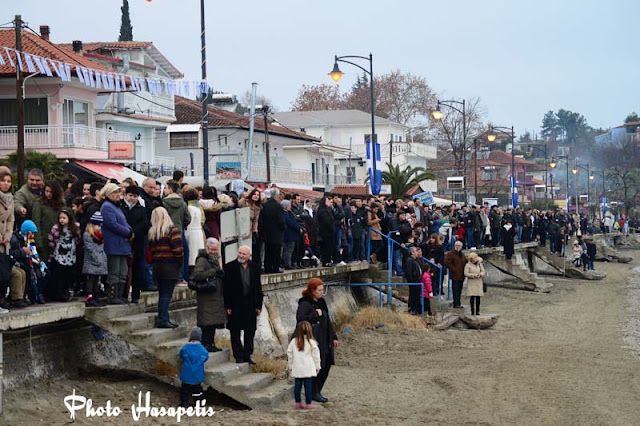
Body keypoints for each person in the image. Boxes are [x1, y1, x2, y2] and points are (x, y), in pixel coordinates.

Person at [296, 278, 338, 403]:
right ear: (312, 291)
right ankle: (313, 392)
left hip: (325, 337)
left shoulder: (322, 302)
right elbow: (301, 319)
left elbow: (327, 320)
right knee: (315, 365)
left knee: (326, 364)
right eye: (319, 290)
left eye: (322, 290)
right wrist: (315, 314)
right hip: (313, 339)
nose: (322, 292)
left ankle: (317, 390)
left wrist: (334, 337)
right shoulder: (305, 303)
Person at [223, 245, 263, 364]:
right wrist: (228, 306)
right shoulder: (229, 267)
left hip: (250, 304)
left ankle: (247, 355)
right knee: (235, 331)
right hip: (235, 304)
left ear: (249, 255)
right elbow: (226, 289)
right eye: (239, 253)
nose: (241, 255)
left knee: (250, 331)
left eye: (244, 254)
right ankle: (238, 355)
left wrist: (258, 305)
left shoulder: (255, 267)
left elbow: (258, 288)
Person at [148, 207, 184, 328]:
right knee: (166, 295)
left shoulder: (152, 232)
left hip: (157, 267)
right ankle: (163, 319)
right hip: (170, 266)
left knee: (161, 294)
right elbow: (178, 250)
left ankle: (162, 317)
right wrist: (179, 263)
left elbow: (150, 252)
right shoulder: (172, 231)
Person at [100, 183, 133, 305]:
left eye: (118, 192)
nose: (118, 195)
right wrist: (127, 232)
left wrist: (130, 231)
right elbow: (112, 224)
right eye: (114, 193)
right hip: (113, 244)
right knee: (114, 271)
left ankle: (120, 294)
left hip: (122, 244)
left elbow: (124, 222)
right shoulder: (107, 207)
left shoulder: (117, 207)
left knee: (122, 271)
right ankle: (113, 295)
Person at [191, 238, 226, 352]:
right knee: (206, 323)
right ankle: (206, 344)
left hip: (214, 296)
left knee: (213, 323)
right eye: (211, 249)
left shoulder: (213, 258)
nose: (213, 252)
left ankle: (211, 343)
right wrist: (213, 272)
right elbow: (197, 275)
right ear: (206, 247)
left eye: (215, 250)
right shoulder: (202, 260)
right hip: (206, 296)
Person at [120, 185, 150, 303]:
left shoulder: (141, 209)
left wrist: (133, 231)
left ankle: (135, 295)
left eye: (135, 196)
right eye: (130, 195)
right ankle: (122, 294)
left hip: (137, 242)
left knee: (137, 269)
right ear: (125, 195)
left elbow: (145, 224)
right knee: (123, 270)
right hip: (123, 240)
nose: (132, 198)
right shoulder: (120, 206)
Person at [47, 208, 80, 302]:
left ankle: (67, 292)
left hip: (71, 255)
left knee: (68, 275)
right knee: (59, 275)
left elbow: (77, 239)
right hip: (59, 255)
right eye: (60, 218)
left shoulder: (75, 228)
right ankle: (59, 293)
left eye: (64, 218)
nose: (62, 220)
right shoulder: (55, 228)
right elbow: (51, 240)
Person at [287, 321, 321, 409]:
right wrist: (317, 366)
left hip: (297, 367)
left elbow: (289, 353)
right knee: (308, 386)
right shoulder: (312, 342)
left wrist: (290, 364)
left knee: (297, 386)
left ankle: (297, 402)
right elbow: (316, 356)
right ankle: (308, 403)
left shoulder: (294, 341)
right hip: (308, 368)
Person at [163, 180, 191, 284]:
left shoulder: (164, 203)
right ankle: (181, 277)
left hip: (166, 231)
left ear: (170, 189)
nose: (164, 190)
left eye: (166, 188)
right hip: (179, 230)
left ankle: (170, 277)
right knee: (181, 254)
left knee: (169, 254)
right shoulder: (182, 203)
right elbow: (188, 218)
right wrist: (182, 225)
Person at [32, 180, 64, 262]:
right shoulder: (39, 203)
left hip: (59, 239)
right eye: (47, 191)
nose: (48, 194)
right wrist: (38, 243)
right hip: (44, 240)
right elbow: (36, 223)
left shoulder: (62, 204)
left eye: (51, 192)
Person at [179, 327, 209, 408]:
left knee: (184, 388)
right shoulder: (202, 350)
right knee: (197, 389)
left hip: (187, 372)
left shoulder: (186, 348)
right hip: (197, 373)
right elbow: (206, 357)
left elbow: (181, 354)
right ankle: (198, 402)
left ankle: (184, 402)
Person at [83, 212, 107, 307]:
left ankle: (96, 296)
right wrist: (97, 258)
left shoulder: (100, 236)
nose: (99, 228)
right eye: (97, 225)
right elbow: (91, 249)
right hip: (91, 261)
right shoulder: (87, 235)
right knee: (91, 280)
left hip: (99, 261)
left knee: (97, 280)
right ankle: (90, 297)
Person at [259, 188, 285, 273]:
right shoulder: (279, 207)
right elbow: (281, 221)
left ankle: (268, 268)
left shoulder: (265, 205)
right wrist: (284, 228)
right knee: (276, 252)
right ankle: (275, 268)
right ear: (277, 195)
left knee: (268, 251)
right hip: (277, 233)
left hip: (267, 233)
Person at [184, 188, 205, 270]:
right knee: (197, 256)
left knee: (192, 257)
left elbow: (190, 223)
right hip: (198, 232)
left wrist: (186, 235)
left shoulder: (190, 208)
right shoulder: (197, 207)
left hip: (192, 233)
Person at [444, 240, 467, 309]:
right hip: (455, 275)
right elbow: (447, 263)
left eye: (459, 246)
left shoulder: (462, 255)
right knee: (455, 290)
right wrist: (454, 269)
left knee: (459, 290)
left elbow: (466, 262)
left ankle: (458, 303)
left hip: (461, 275)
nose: (457, 247)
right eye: (456, 245)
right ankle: (455, 303)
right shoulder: (450, 254)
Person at [316, 197, 335, 267]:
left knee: (329, 247)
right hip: (326, 232)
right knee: (326, 247)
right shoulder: (323, 211)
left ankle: (328, 260)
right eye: (327, 201)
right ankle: (326, 261)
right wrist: (332, 228)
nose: (329, 202)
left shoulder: (327, 210)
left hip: (328, 232)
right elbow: (326, 222)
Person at [404, 246, 423, 315]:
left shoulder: (416, 260)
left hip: (417, 281)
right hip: (414, 282)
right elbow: (408, 272)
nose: (417, 253)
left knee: (417, 295)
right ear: (412, 252)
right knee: (413, 295)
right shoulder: (409, 260)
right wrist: (412, 280)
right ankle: (413, 309)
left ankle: (418, 309)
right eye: (416, 251)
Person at [282, 200, 300, 270]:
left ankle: (288, 263)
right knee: (289, 249)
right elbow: (291, 223)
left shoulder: (288, 213)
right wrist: (298, 228)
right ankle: (287, 264)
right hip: (289, 234)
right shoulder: (286, 214)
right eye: (289, 205)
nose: (290, 207)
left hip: (291, 234)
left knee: (289, 249)